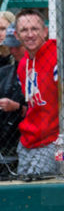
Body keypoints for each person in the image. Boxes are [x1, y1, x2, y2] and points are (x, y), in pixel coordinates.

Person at [0, 9, 64, 178]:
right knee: (25, 195)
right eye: (24, 30)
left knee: (44, 195)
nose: (30, 34)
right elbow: (32, 106)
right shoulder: (23, 65)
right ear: (17, 35)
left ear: (45, 31)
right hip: (27, 143)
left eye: (34, 29)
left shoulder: (63, 62)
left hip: (54, 144)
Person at [0, 27, 27, 166]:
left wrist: (16, 107)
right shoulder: (5, 72)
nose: (12, 51)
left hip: (25, 133)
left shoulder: (39, 70)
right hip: (6, 134)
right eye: (10, 47)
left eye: (17, 47)